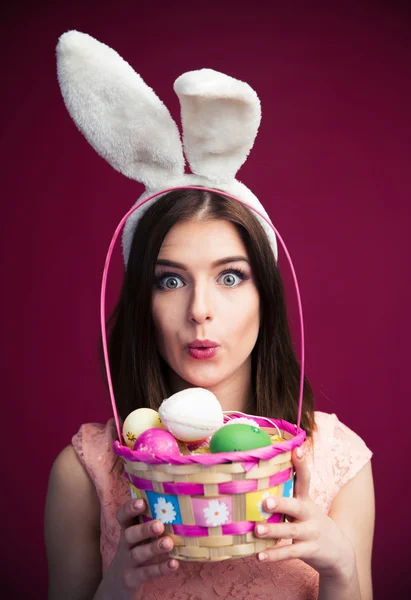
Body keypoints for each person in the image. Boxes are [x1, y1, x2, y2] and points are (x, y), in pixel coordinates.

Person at [45, 32, 374, 600]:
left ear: (266, 296)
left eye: (230, 277)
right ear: (143, 303)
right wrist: (116, 587)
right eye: (170, 280)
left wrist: (342, 569)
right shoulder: (86, 475)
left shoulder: (333, 460)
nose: (200, 311)